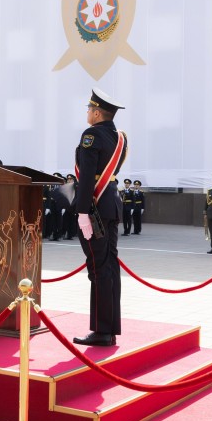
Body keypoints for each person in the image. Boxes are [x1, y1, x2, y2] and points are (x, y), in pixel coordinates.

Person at [73, 88, 128, 347]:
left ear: (96, 112)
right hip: (111, 205)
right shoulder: (120, 138)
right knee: (109, 267)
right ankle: (109, 327)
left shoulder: (91, 135)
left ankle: (102, 331)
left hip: (94, 208)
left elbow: (86, 179)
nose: (87, 113)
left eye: (88, 109)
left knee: (98, 269)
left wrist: (83, 211)